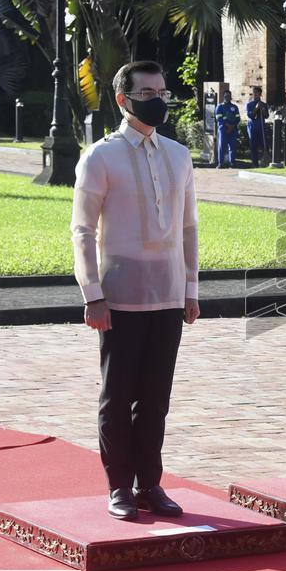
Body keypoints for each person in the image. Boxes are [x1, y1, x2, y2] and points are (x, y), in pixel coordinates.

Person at [71, 60, 200, 521]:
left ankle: (151, 484)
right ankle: (119, 487)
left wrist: (191, 288)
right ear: (124, 99)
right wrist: (93, 293)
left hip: (167, 294)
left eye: (163, 91)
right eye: (147, 92)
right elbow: (82, 231)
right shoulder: (100, 156)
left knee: (156, 398)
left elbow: (189, 227)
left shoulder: (179, 155)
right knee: (117, 393)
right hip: (120, 296)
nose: (158, 99)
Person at [214, 90, 241, 168]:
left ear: (231, 97)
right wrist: (227, 125)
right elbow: (219, 118)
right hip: (223, 130)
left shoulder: (234, 107)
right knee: (222, 146)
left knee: (233, 146)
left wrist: (232, 126)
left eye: (229, 96)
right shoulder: (220, 107)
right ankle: (220, 163)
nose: (227, 97)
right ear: (223, 97)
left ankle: (232, 163)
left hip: (233, 130)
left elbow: (238, 118)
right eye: (226, 96)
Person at [246, 85, 269, 166]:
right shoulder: (249, 105)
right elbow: (251, 116)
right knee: (253, 146)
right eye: (254, 93)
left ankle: (263, 162)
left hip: (261, 127)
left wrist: (263, 109)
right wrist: (256, 108)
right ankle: (255, 163)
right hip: (252, 127)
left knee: (263, 145)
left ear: (260, 94)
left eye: (257, 93)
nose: (255, 95)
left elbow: (266, 116)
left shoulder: (264, 104)